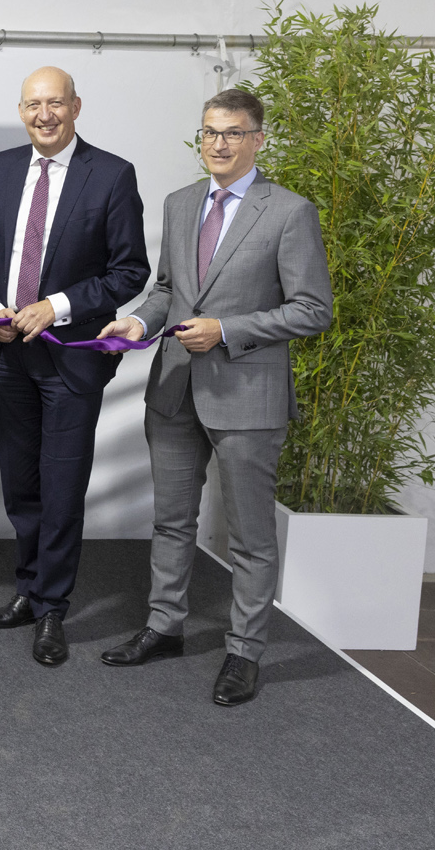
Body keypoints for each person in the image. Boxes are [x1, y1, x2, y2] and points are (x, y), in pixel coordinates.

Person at [96, 88, 332, 706]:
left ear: (258, 139)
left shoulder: (289, 212)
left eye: (232, 133)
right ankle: (164, 627)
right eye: (209, 132)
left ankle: (244, 652)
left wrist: (226, 330)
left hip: (247, 397)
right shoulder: (180, 204)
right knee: (171, 520)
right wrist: (136, 323)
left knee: (250, 536)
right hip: (173, 390)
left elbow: (313, 309)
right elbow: (167, 290)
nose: (218, 144)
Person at [0, 67, 150, 665]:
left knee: (62, 486)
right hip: (6, 352)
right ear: (22, 111)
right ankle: (27, 591)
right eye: (32, 105)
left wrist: (57, 305)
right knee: (21, 485)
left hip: (70, 358)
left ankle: (53, 608)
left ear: (76, 106)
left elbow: (130, 271)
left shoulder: (112, 174)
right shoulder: (0, 170)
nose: (43, 115)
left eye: (54, 103)